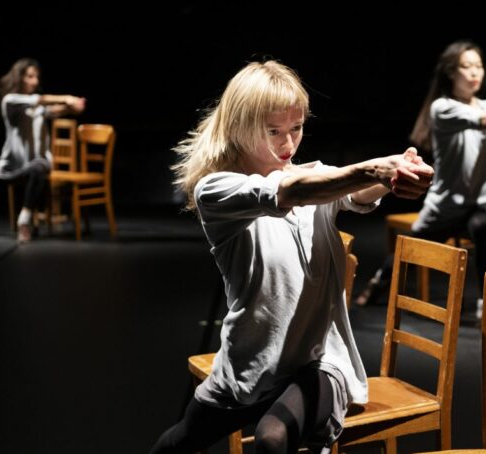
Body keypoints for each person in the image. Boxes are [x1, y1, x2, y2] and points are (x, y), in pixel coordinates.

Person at [149, 60, 433, 454]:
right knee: (177, 443)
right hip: (249, 364)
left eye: (296, 128)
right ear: (239, 127)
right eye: (273, 132)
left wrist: (394, 175)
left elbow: (351, 192)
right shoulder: (217, 190)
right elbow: (288, 192)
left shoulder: (316, 178)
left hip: (320, 362)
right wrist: (372, 169)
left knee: (272, 437)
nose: (288, 144)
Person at [354, 40, 486, 307]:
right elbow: (482, 121)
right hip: (448, 203)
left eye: (478, 66)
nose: (474, 73)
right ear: (450, 73)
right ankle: (379, 281)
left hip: (485, 201)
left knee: (481, 226)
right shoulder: (443, 108)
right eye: (466, 67)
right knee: (412, 247)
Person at [0, 58, 86, 243]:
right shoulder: (10, 101)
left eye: (36, 77)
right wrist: (66, 97)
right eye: (30, 76)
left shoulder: (38, 108)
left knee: (39, 168)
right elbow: (39, 99)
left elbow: (56, 110)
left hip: (35, 160)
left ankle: (24, 222)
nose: (35, 81)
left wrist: (73, 107)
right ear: (19, 78)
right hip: (11, 162)